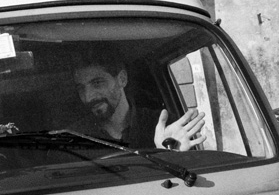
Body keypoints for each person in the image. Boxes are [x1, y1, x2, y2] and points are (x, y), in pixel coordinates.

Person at [70, 51, 207, 150]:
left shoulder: (162, 125)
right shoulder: (74, 137)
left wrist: (169, 151)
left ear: (122, 79)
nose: (88, 97)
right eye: (81, 88)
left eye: (97, 83)